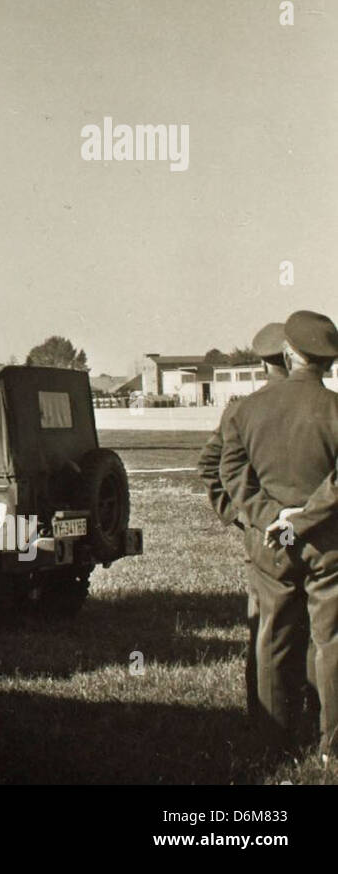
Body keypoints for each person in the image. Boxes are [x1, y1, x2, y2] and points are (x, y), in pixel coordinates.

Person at [220, 309, 338, 761]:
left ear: (288, 353)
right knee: (330, 641)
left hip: (271, 540)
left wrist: (272, 516)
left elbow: (231, 472)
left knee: (271, 637)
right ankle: (332, 746)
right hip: (328, 541)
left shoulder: (246, 410)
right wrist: (304, 518)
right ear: (327, 362)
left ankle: (273, 742)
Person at [197, 322, 287, 721]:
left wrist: (243, 516)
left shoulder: (240, 409)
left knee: (265, 629)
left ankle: (265, 716)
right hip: (316, 531)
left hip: (262, 536)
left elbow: (211, 467)